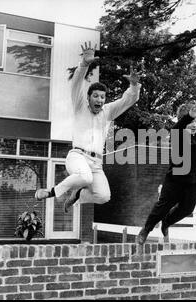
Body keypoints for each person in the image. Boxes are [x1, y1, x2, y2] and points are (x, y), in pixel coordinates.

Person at [35, 41, 142, 211]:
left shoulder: (107, 111)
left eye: (102, 97)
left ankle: (78, 195)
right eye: (96, 96)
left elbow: (128, 100)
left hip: (96, 163)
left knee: (104, 196)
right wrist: (85, 63)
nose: (100, 100)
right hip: (77, 156)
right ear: (89, 97)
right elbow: (76, 83)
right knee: (84, 177)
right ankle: (52, 192)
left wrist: (134, 85)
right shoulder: (79, 106)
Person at [136, 101, 196, 245]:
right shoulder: (177, 135)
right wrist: (187, 117)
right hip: (175, 179)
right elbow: (176, 129)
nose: (195, 125)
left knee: (187, 209)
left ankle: (166, 223)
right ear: (184, 122)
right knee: (163, 206)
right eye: (191, 122)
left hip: (194, 181)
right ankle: (146, 230)